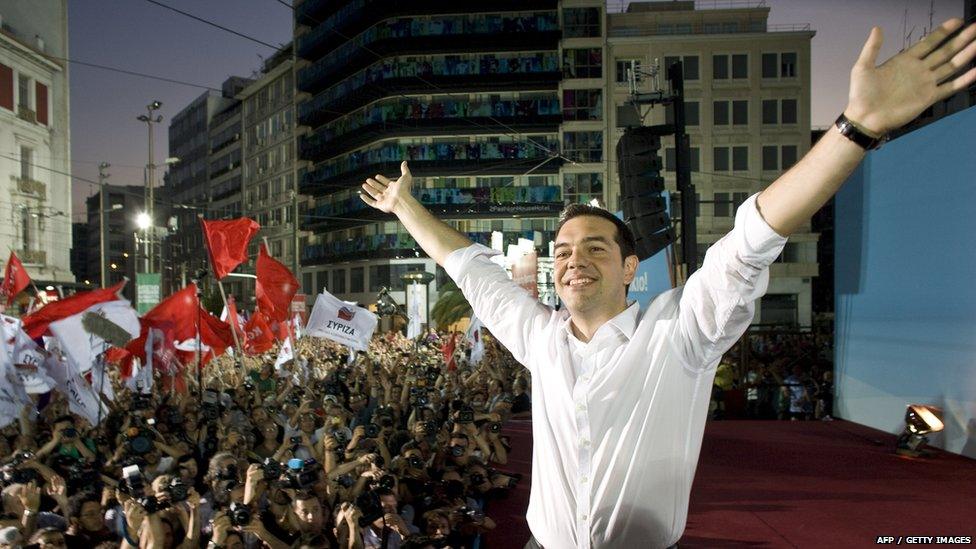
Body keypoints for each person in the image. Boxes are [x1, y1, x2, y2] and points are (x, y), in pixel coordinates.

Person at [359, 19, 976, 548]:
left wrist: (855, 129)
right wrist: (405, 208)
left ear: (630, 269)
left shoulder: (679, 333)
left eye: (595, 247)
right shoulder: (538, 339)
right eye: (564, 250)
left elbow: (752, 238)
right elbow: (472, 269)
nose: (574, 260)